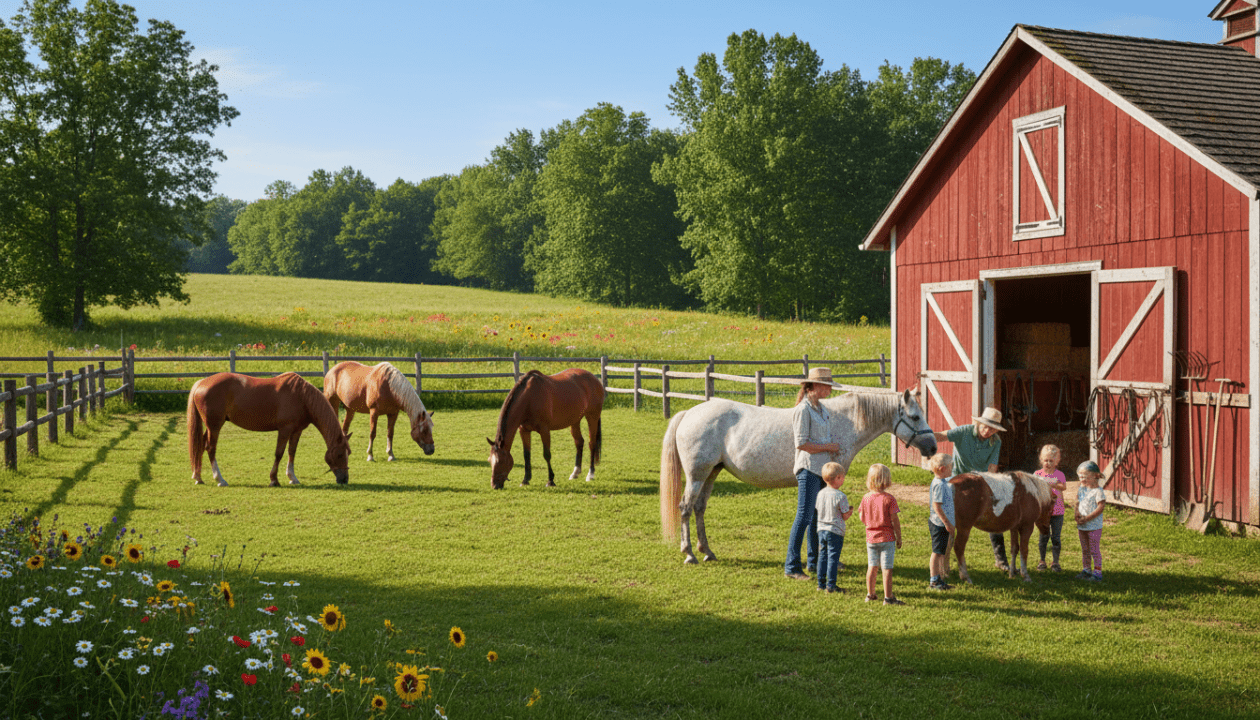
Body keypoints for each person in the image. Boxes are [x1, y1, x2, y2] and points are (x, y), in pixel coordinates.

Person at [785, 367, 843, 580]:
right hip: (808, 469)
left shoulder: (821, 409)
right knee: (803, 517)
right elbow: (801, 443)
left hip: (821, 470)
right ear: (815, 386)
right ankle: (792, 566)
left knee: (816, 517)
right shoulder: (803, 410)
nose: (830, 390)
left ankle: (814, 561)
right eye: (827, 386)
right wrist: (828, 446)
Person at [933, 407, 1008, 571]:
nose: (987, 431)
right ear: (979, 423)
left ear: (996, 430)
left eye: (992, 429)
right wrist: (922, 439)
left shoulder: (996, 441)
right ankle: (944, 563)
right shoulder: (964, 431)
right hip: (957, 481)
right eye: (985, 427)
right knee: (949, 522)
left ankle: (1001, 560)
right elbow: (942, 435)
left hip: (980, 482)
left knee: (996, 515)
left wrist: (989, 485)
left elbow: (992, 467)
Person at [858, 463, 904, 605]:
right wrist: (899, 536)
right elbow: (895, 520)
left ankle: (870, 594)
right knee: (887, 568)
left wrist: (870, 523)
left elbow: (861, 516)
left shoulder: (866, 498)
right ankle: (888, 598)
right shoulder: (889, 499)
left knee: (872, 566)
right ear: (887, 480)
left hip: (871, 539)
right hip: (887, 538)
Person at [815, 461, 852, 594]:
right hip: (835, 531)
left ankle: (821, 584)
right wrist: (850, 511)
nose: (843, 480)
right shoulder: (841, 496)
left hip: (821, 529)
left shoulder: (820, 493)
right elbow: (844, 515)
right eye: (842, 477)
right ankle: (831, 586)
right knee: (833, 558)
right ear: (837, 478)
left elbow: (818, 509)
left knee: (822, 556)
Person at [1034, 444, 1068, 572]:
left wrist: (1052, 483)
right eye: (1046, 460)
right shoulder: (1037, 474)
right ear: (1041, 460)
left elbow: (1063, 487)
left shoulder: (1059, 474)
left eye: (1051, 461)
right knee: (1043, 536)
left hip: (1057, 511)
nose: (1048, 463)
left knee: (1056, 537)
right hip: (1043, 511)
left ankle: (1055, 562)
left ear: (1057, 462)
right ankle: (1042, 560)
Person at [926, 453, 955, 591]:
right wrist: (947, 523)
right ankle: (934, 581)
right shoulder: (939, 485)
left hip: (941, 523)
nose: (952, 469)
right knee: (937, 552)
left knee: (941, 551)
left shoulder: (942, 482)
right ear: (943, 469)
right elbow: (937, 506)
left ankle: (940, 577)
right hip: (939, 524)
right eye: (951, 467)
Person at [1075, 460, 1106, 582]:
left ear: (1095, 476)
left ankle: (1097, 573)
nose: (1081, 478)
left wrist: (1087, 518)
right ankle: (1086, 570)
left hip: (1094, 526)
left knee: (1094, 549)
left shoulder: (1098, 491)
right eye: (1080, 476)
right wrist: (1076, 514)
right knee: (1085, 549)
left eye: (1085, 476)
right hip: (1082, 526)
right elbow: (1077, 502)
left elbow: (1100, 507)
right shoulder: (1081, 489)